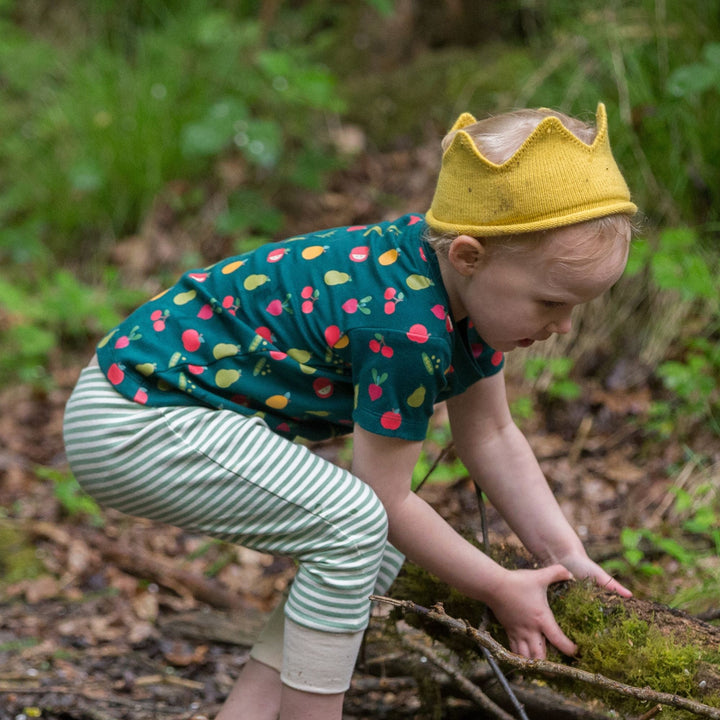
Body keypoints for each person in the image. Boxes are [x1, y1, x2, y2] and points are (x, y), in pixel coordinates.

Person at [63, 101, 637, 720]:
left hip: (163, 412)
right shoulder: (407, 325)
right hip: (136, 416)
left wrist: (565, 557)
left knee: (379, 540)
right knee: (361, 521)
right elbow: (384, 500)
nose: (563, 327)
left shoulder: (453, 287)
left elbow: (493, 435)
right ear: (471, 255)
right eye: (551, 303)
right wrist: (498, 587)